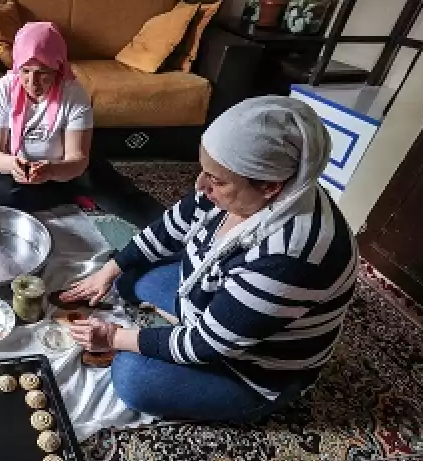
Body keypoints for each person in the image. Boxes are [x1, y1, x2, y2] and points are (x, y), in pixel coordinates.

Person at [62, 96, 357, 423]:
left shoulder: (293, 255)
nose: (200, 186)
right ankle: (171, 316)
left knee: (132, 376)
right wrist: (109, 269)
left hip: (252, 372)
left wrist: (115, 337)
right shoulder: (233, 190)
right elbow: (167, 229)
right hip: (214, 301)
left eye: (216, 180)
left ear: (271, 186)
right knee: (128, 275)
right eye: (204, 170)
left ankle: (244, 397)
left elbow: (206, 345)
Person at [0, 22, 93, 212]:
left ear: (57, 69)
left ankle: (69, 191)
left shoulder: (74, 93)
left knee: (116, 194)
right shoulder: (3, 89)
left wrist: (51, 171)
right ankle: (69, 195)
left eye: (42, 73)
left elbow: (77, 158)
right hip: (18, 170)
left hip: (60, 169)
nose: (32, 83)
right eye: (25, 71)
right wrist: (12, 164)